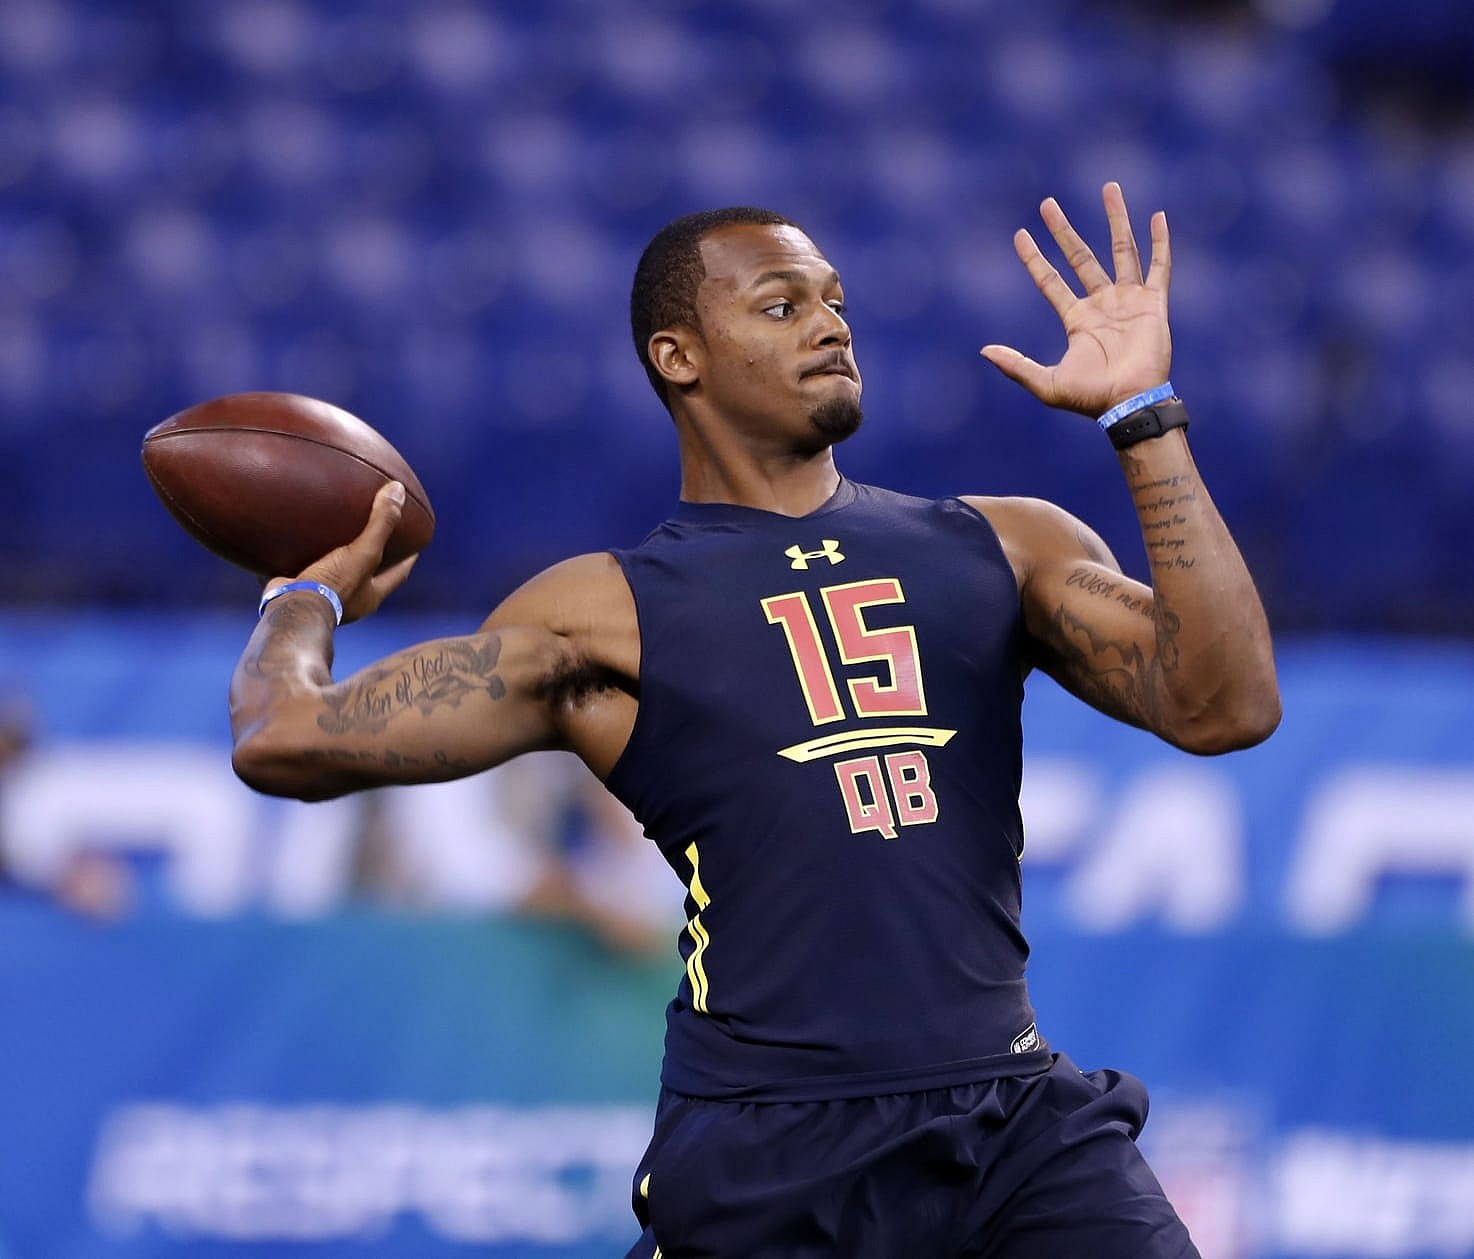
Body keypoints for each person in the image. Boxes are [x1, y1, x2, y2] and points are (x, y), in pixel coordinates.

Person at [231, 183, 1279, 1257]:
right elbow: (283, 736)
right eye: (781, 306)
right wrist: (304, 600)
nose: (828, 323)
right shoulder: (602, 611)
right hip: (766, 1153)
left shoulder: (1004, 543)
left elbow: (1225, 705)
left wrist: (1142, 417)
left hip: (1015, 1125)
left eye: (834, 302)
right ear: (678, 356)